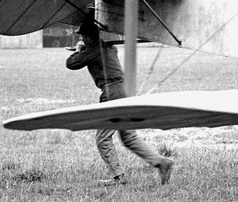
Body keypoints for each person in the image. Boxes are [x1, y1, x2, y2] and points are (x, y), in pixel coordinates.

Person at [66, 20, 174, 186]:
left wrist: (79, 51)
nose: (81, 38)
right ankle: (162, 163)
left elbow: (71, 64)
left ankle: (119, 177)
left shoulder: (94, 48)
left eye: (82, 35)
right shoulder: (108, 46)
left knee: (103, 139)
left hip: (113, 93)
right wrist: (83, 50)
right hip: (125, 90)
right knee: (129, 137)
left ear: (88, 36)